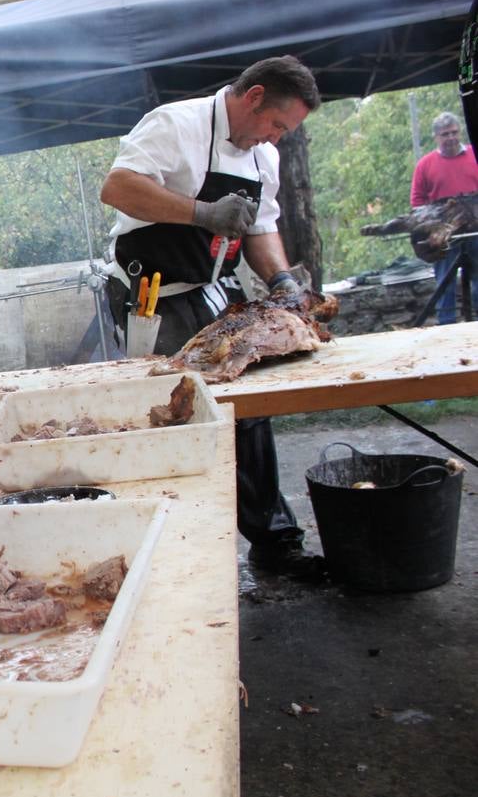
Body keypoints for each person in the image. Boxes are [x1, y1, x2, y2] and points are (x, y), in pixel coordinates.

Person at [99, 55, 324, 580]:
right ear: (254, 97)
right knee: (174, 410)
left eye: (285, 132)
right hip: (152, 292)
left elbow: (262, 229)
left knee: (249, 405)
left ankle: (273, 541)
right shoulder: (176, 124)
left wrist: (282, 280)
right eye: (276, 124)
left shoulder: (261, 157)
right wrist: (201, 213)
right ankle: (171, 548)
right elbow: (118, 187)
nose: (275, 139)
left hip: (213, 286)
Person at [409, 111, 478, 324]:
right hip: (444, 236)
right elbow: (417, 202)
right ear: (436, 137)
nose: (450, 138)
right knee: (444, 285)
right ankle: (446, 329)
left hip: (476, 231)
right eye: (445, 134)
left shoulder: (474, 155)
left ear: (460, 132)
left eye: (454, 133)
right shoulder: (425, 165)